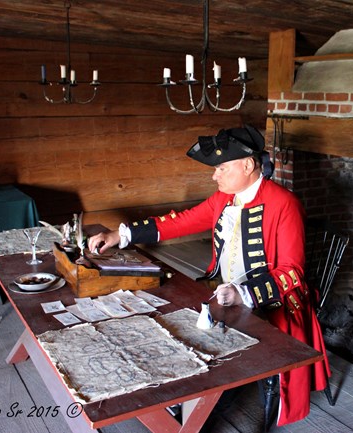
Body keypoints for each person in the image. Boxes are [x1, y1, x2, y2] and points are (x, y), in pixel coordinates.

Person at [87, 124, 330, 426]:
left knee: (205, 329)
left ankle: (200, 405)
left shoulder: (285, 204)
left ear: (248, 165)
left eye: (221, 168)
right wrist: (120, 235)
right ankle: (180, 395)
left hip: (270, 301)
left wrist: (244, 294)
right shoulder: (223, 198)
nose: (214, 175)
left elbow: (292, 273)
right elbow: (181, 222)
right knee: (167, 309)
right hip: (218, 288)